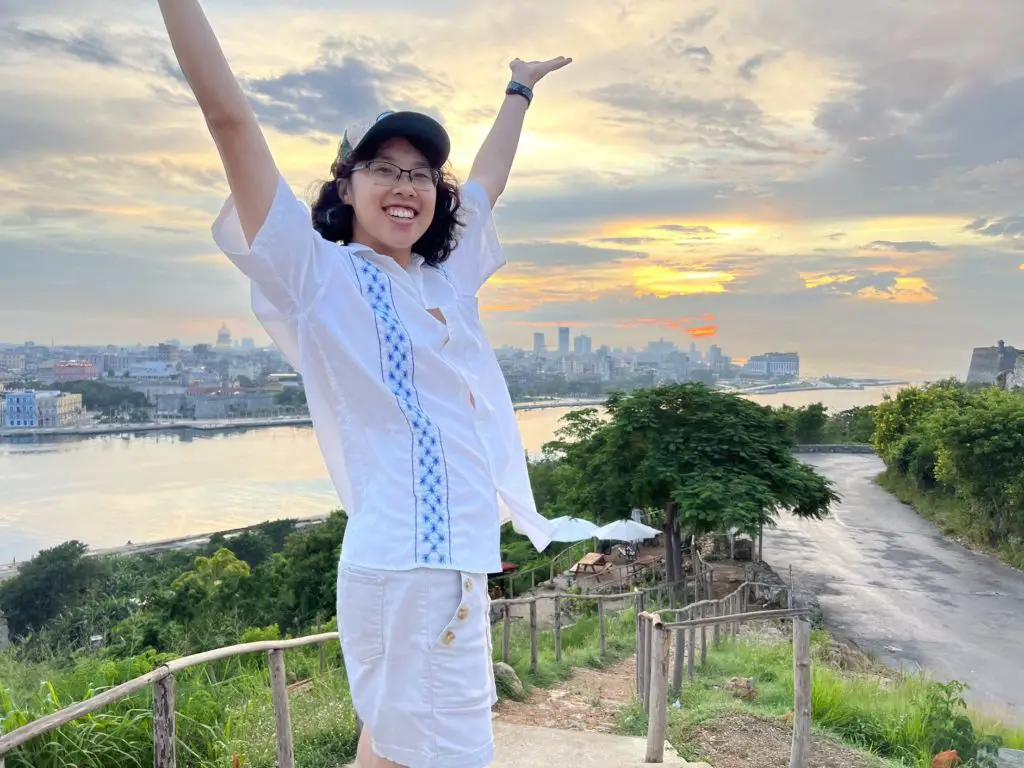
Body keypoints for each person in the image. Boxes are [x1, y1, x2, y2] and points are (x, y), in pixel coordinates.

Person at [156, 2, 571, 766]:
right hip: (404, 570)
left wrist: (519, 89)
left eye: (420, 173)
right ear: (346, 187)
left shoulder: (447, 280)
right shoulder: (317, 277)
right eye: (384, 168)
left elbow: (488, 180)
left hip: (456, 564)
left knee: (388, 749)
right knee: (446, 754)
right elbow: (231, 123)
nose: (405, 184)